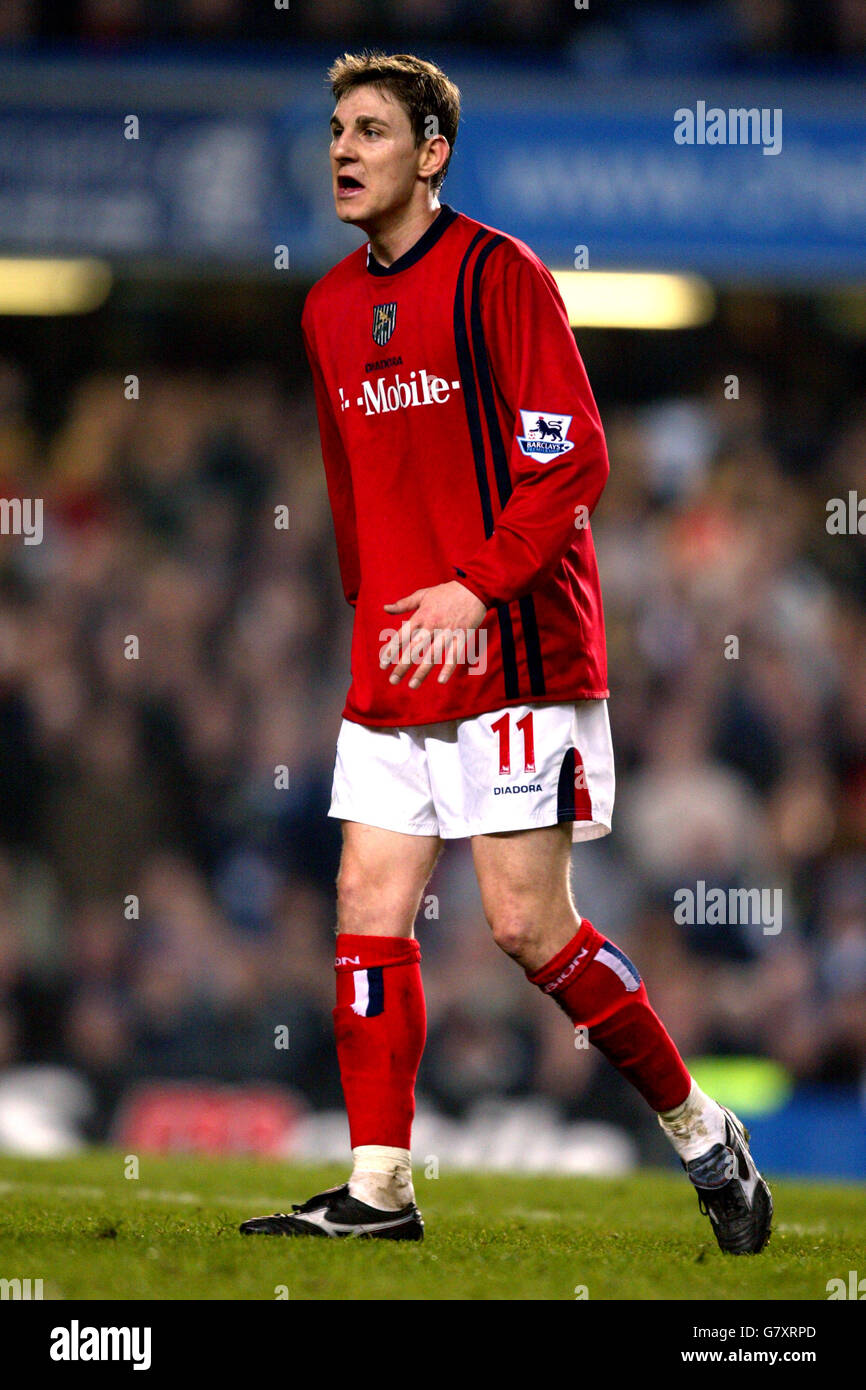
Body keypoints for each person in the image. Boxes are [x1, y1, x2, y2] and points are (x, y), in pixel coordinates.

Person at [241, 51, 772, 1254]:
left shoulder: (499, 275)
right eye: (335, 128)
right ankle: (378, 1189)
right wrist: (375, 617)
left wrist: (474, 592)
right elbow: (348, 494)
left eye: (370, 129)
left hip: (517, 650)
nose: (342, 148)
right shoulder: (325, 309)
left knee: (526, 929)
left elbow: (573, 458)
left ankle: (700, 1130)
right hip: (397, 662)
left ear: (430, 153)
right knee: (366, 902)